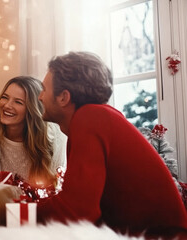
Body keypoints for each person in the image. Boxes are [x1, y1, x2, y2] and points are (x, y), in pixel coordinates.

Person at [37, 51, 187, 237]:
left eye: (44, 89)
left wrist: (11, 212)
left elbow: (76, 211)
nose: (40, 97)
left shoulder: (90, 118)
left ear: (63, 97)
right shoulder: (98, 117)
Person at [0, 76, 67, 187]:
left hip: (36, 203)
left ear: (32, 109)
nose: (7, 105)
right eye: (5, 97)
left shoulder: (53, 136)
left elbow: (56, 186)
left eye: (18, 102)